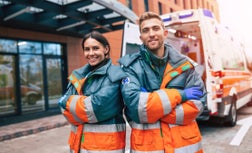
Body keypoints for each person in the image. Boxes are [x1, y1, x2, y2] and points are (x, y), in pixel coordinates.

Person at [119, 11, 206, 153]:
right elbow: (136, 109)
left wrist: (152, 107)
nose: (151, 34)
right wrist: (181, 95)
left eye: (155, 28)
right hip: (148, 148)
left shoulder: (184, 65)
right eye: (146, 30)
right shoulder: (130, 67)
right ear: (141, 37)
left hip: (184, 147)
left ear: (165, 33)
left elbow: (198, 104)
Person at [58, 31, 127, 153]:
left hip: (105, 148)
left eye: (95, 48)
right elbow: (65, 111)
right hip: (77, 145)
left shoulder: (115, 75)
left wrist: (67, 102)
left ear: (106, 49)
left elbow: (95, 108)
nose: (91, 53)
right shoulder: (78, 75)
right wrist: (77, 106)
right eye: (87, 49)